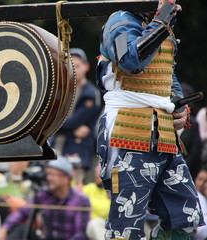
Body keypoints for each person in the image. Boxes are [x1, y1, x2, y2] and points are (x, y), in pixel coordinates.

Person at [96, 0, 204, 239]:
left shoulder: (158, 26)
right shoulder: (120, 23)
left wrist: (177, 104)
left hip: (162, 131)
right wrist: (161, 20)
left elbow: (168, 73)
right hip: (126, 129)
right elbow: (130, 61)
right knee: (125, 227)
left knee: (185, 218)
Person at [0, 156, 91, 240]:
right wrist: (4, 229)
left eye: (53, 174)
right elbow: (22, 212)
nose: (48, 178)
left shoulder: (81, 200)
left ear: (66, 178)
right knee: (21, 229)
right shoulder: (44, 195)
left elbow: (80, 234)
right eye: (47, 174)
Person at [53, 48, 102, 186]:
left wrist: (55, 126)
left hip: (78, 152)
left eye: (77, 66)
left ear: (86, 67)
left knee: (75, 189)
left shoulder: (91, 94)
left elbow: (65, 123)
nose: (73, 70)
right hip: (57, 146)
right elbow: (52, 120)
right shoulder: (60, 90)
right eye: (70, 66)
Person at [82, 162, 110, 240]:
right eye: (95, 174)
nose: (97, 175)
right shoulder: (90, 188)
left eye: (99, 173)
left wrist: (88, 201)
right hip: (90, 227)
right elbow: (75, 194)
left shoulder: (112, 190)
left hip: (108, 227)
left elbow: (106, 211)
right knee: (95, 223)